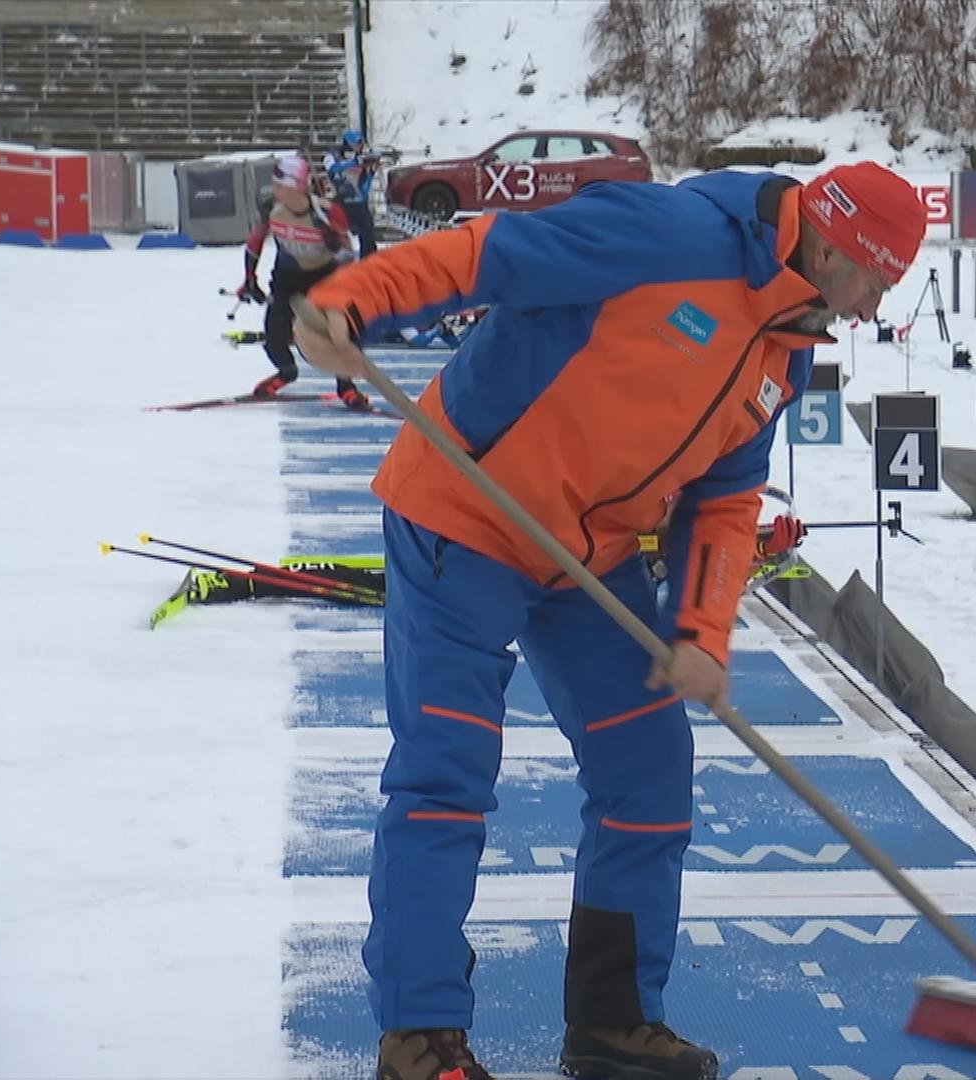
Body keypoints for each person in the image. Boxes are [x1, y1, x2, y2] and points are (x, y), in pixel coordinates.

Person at [292, 162, 926, 1080]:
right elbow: (485, 254)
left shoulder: (786, 347)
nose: (870, 307)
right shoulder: (669, 237)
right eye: (873, 280)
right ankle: (419, 1037)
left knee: (648, 766)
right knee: (446, 774)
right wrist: (351, 301)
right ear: (829, 242)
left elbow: (725, 498)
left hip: (587, 556)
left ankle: (614, 1022)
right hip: (466, 513)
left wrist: (701, 632)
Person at [238, 154, 370, 410]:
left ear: (296, 186)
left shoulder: (326, 212)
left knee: (339, 333)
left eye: (280, 185)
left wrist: (336, 253)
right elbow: (254, 244)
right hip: (287, 277)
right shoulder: (270, 208)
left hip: (323, 277)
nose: (275, 189)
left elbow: (347, 256)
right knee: (274, 335)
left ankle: (346, 387)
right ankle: (286, 371)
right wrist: (249, 279)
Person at [325, 128, 382, 257]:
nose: (359, 147)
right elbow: (332, 168)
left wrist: (371, 172)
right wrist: (354, 162)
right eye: (357, 143)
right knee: (336, 241)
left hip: (359, 205)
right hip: (339, 203)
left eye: (360, 144)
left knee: (369, 240)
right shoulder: (333, 155)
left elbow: (364, 189)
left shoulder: (363, 156)